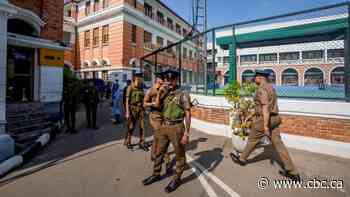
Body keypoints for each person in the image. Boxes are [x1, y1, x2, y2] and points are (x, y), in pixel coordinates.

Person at [230, 69, 300, 181]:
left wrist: (265, 126)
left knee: (252, 140)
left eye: (255, 77)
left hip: (263, 119)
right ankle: (292, 171)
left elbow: (265, 107)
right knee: (278, 144)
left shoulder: (262, 89)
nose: (254, 79)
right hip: (275, 118)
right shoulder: (271, 87)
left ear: (260, 77)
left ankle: (242, 159)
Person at [143, 70, 192, 193]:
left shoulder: (183, 94)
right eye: (167, 80)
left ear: (176, 80)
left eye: (171, 80)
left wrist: (187, 133)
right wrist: (160, 93)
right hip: (164, 125)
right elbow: (157, 105)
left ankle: (177, 179)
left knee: (179, 154)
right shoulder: (165, 92)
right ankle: (156, 174)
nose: (169, 82)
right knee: (159, 151)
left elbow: (187, 113)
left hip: (177, 127)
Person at [143, 72, 171, 174]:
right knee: (162, 137)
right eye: (162, 78)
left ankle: (153, 155)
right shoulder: (151, 90)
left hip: (163, 116)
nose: (164, 80)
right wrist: (153, 103)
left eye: (164, 78)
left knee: (157, 136)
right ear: (157, 79)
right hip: (154, 116)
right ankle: (167, 160)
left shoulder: (165, 89)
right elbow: (144, 103)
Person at [124, 73, 148, 151]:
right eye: (139, 79)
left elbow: (143, 98)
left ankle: (142, 142)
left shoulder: (141, 87)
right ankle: (128, 141)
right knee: (131, 126)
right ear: (135, 79)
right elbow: (127, 101)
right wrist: (127, 112)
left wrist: (145, 107)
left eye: (141, 79)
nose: (140, 81)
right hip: (132, 109)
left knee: (142, 127)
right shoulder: (130, 88)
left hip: (140, 109)